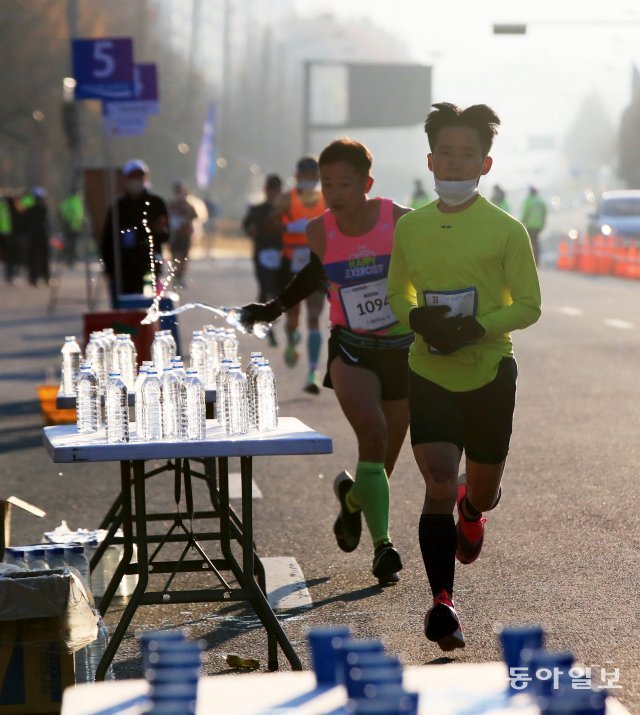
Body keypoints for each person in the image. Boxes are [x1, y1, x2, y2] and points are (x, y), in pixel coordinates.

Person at [387, 103, 541, 651]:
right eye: (446, 153)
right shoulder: (411, 227)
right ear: (430, 160)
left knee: (480, 487)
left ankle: (473, 510)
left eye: (467, 154)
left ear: (486, 162)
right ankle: (441, 605)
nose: (455, 163)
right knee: (435, 482)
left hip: (490, 370)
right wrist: (416, 319)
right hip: (428, 370)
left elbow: (528, 306)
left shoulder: (506, 230)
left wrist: (476, 328)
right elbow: (396, 293)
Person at [241, 139, 413, 585]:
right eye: (327, 183)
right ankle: (383, 549)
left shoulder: (400, 220)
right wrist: (274, 307)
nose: (334, 192)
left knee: (383, 464)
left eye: (345, 183)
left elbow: (432, 264)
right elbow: (318, 272)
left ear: (367, 184)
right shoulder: (319, 229)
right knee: (372, 436)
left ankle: (352, 500)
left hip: (401, 350)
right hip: (352, 347)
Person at [274, 156, 327, 394]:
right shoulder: (286, 199)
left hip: (315, 264)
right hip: (291, 264)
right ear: (297, 177)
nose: (309, 181)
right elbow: (270, 224)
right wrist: (289, 227)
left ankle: (313, 372)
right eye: (304, 176)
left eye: (312, 176)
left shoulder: (326, 199)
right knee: (292, 318)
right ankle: (292, 339)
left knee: (315, 317)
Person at [100, 159, 169, 308]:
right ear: (126, 180)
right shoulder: (118, 207)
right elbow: (107, 240)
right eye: (133, 177)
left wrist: (159, 231)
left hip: (149, 267)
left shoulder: (156, 203)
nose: (136, 181)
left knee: (151, 311)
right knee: (125, 313)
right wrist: (109, 268)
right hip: (123, 269)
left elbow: (166, 235)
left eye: (140, 177)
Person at [241, 174, 283, 346]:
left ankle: (264, 318)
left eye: (276, 190)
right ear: (265, 190)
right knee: (265, 290)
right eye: (270, 190)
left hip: (282, 256)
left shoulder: (285, 210)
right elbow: (246, 226)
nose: (273, 193)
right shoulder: (256, 209)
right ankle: (268, 328)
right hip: (261, 255)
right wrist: (252, 233)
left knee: (279, 292)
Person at [168, 181, 199, 289]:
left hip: (185, 236)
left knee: (184, 258)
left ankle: (180, 276)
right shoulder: (171, 205)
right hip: (174, 236)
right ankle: (175, 277)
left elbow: (195, 217)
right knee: (175, 257)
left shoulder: (189, 206)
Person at [24, 187, 51, 286]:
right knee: (43, 257)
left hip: (33, 236)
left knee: (34, 257)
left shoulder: (30, 209)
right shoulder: (43, 209)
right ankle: (45, 277)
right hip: (41, 235)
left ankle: (34, 278)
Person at [59, 188, 85, 268]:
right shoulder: (77, 201)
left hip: (67, 226)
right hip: (75, 227)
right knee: (73, 244)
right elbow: (80, 214)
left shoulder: (66, 201)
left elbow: (61, 211)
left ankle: (68, 258)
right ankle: (71, 259)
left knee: (68, 243)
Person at [520, 186, 547, 266]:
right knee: (536, 242)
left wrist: (521, 222)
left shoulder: (529, 201)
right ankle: (537, 260)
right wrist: (542, 224)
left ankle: (530, 260)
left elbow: (525, 213)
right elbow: (544, 214)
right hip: (538, 226)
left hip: (530, 225)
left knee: (530, 243)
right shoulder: (541, 201)